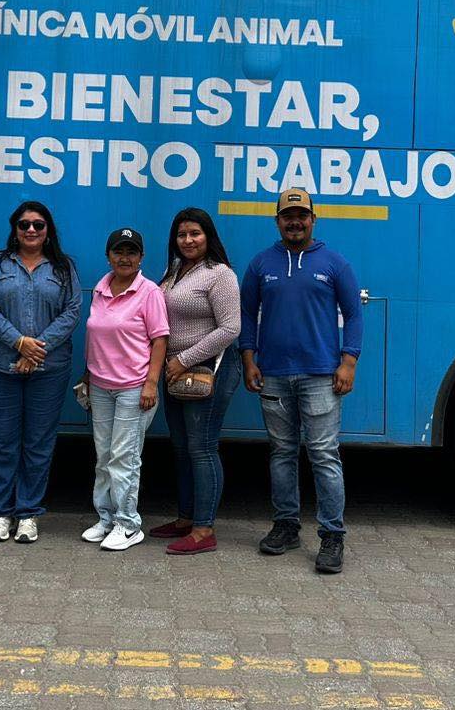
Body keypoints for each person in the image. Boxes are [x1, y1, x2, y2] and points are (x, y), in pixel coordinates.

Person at [239, 188, 363, 575]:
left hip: (321, 375)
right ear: (277, 221)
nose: (295, 222)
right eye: (288, 216)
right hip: (273, 374)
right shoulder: (261, 264)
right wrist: (248, 359)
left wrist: (348, 362)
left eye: (301, 215)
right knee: (282, 453)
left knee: (324, 454)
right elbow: (247, 314)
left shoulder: (335, 263)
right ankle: (286, 526)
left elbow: (354, 314)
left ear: (313, 219)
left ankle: (332, 535)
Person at [0, 201, 81, 545]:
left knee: (38, 443)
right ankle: (1, 513)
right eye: (24, 224)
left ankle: (28, 514)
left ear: (48, 230)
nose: (31, 230)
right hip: (0, 366)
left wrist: (35, 351)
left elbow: (72, 311)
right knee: (3, 442)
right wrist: (18, 342)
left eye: (38, 224)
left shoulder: (63, 267)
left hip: (49, 369)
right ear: (15, 229)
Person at [148, 208, 241, 556]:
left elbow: (231, 328)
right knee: (181, 446)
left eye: (195, 234)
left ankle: (204, 529)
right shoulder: (174, 271)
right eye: (181, 234)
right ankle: (186, 518)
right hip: (175, 370)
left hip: (207, 369)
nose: (188, 240)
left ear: (208, 237)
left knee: (202, 448)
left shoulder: (220, 274)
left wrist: (183, 360)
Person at [80, 227, 169, 551]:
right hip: (101, 386)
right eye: (119, 251)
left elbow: (160, 339)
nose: (125, 258)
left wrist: (151, 384)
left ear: (141, 257)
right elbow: (94, 336)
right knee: (104, 457)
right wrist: (88, 375)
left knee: (125, 458)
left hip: (134, 388)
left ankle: (129, 524)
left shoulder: (149, 292)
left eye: (131, 252)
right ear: (109, 256)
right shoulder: (101, 289)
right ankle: (106, 519)